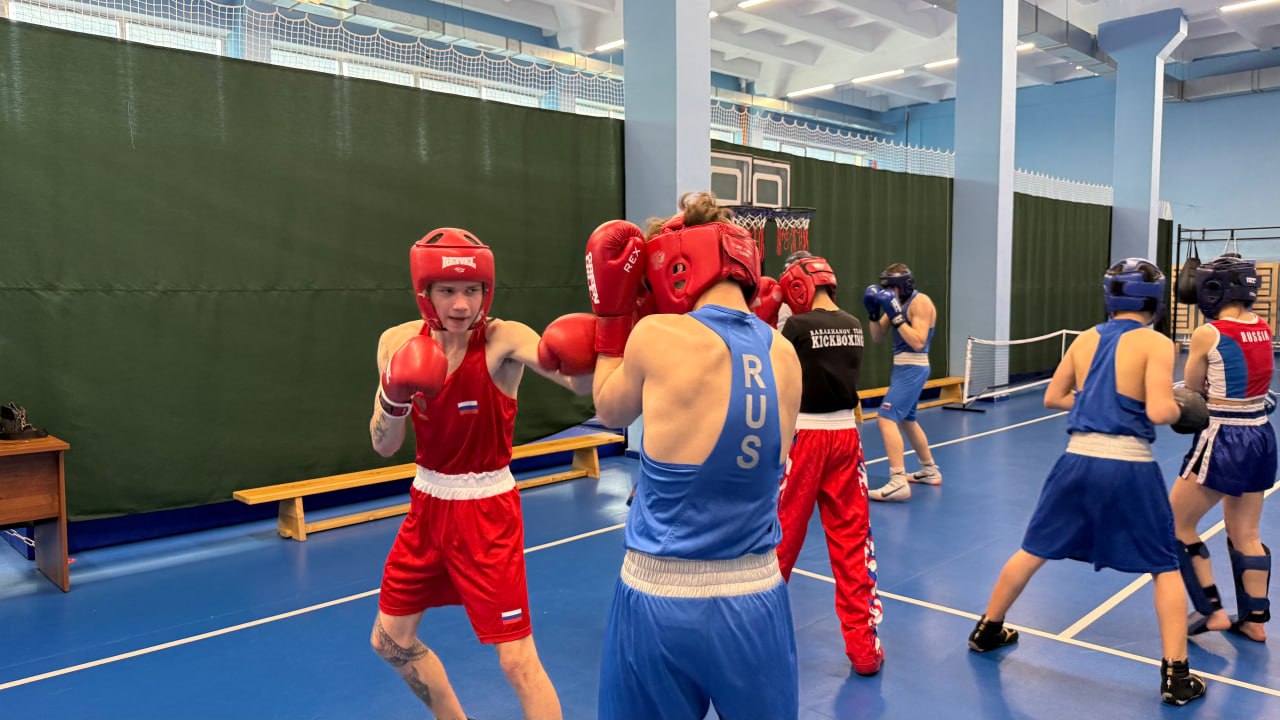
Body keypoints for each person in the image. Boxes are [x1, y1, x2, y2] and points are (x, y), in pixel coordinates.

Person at [540, 192, 804, 720]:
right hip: (756, 594)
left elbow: (608, 408)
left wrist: (614, 319)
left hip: (661, 596)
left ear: (675, 268)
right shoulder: (785, 352)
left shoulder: (655, 334)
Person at [368, 227, 587, 720]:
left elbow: (576, 382)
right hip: (427, 505)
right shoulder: (396, 343)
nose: (462, 304)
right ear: (424, 292)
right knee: (389, 639)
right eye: (448, 290)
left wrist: (609, 336)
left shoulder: (502, 339)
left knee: (516, 661)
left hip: (488, 511)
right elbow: (384, 444)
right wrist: (394, 395)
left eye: (473, 290)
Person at [966, 258, 1207, 707]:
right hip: (1129, 465)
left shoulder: (1085, 338)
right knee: (1164, 567)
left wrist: (1098, 400)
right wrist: (1186, 407)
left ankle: (987, 629)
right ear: (1155, 302)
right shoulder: (1156, 343)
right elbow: (1159, 411)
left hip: (1077, 459)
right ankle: (1176, 677)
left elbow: (1053, 397)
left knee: (1033, 549)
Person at [773, 251, 883, 675]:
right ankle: (864, 651)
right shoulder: (854, 324)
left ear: (797, 286)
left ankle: (752, 639)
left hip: (804, 437)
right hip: (846, 438)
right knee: (853, 543)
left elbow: (776, 379)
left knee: (780, 541)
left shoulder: (796, 327)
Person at [1169, 255, 1276, 641]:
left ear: (1213, 289)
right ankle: (1254, 621)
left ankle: (1210, 610)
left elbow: (1192, 388)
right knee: (1246, 531)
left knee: (1175, 524)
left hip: (1225, 437)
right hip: (1261, 434)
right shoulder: (1263, 327)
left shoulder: (1208, 333)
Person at [863, 264, 941, 502]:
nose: (890, 292)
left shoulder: (920, 303)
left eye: (893, 287)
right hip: (902, 368)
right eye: (886, 288)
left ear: (905, 285)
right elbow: (877, 336)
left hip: (914, 367)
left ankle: (898, 481)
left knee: (886, 418)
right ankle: (929, 470)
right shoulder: (895, 303)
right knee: (907, 420)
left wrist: (896, 317)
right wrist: (873, 313)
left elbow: (918, 342)